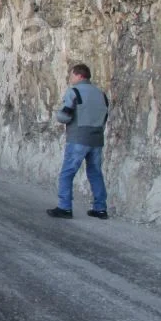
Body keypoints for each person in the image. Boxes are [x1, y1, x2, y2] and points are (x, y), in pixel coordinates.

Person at [47, 63, 110, 219]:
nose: (70, 78)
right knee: (95, 173)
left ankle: (65, 207)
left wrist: (58, 115)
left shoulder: (74, 92)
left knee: (67, 172)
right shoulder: (101, 94)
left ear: (79, 75)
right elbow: (105, 117)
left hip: (78, 138)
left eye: (72, 75)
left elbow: (65, 116)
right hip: (96, 139)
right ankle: (100, 208)